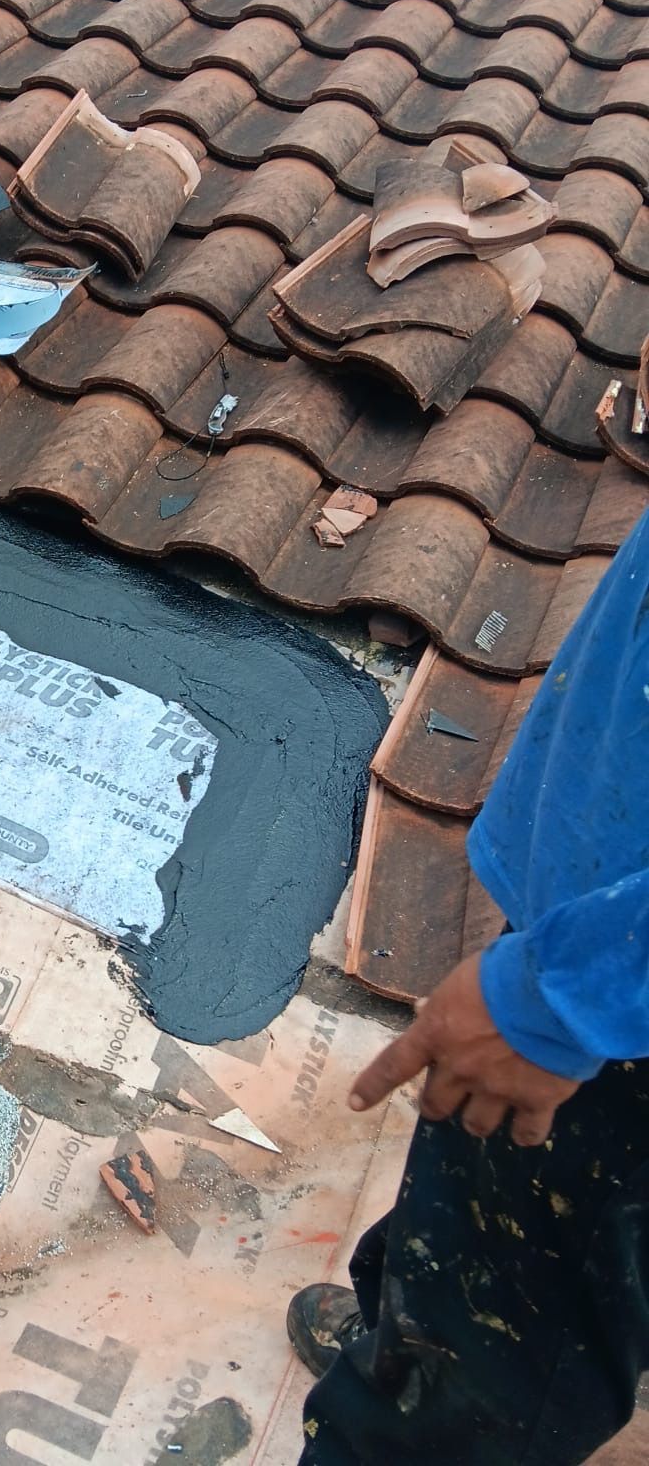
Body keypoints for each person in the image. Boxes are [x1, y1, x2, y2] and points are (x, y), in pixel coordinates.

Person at [287, 505, 649, 1463]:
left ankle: (427, 1394)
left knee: (500, 1351)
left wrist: (567, 1000)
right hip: (601, 920)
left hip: (622, 1007)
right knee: (471, 1212)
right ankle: (403, 1332)